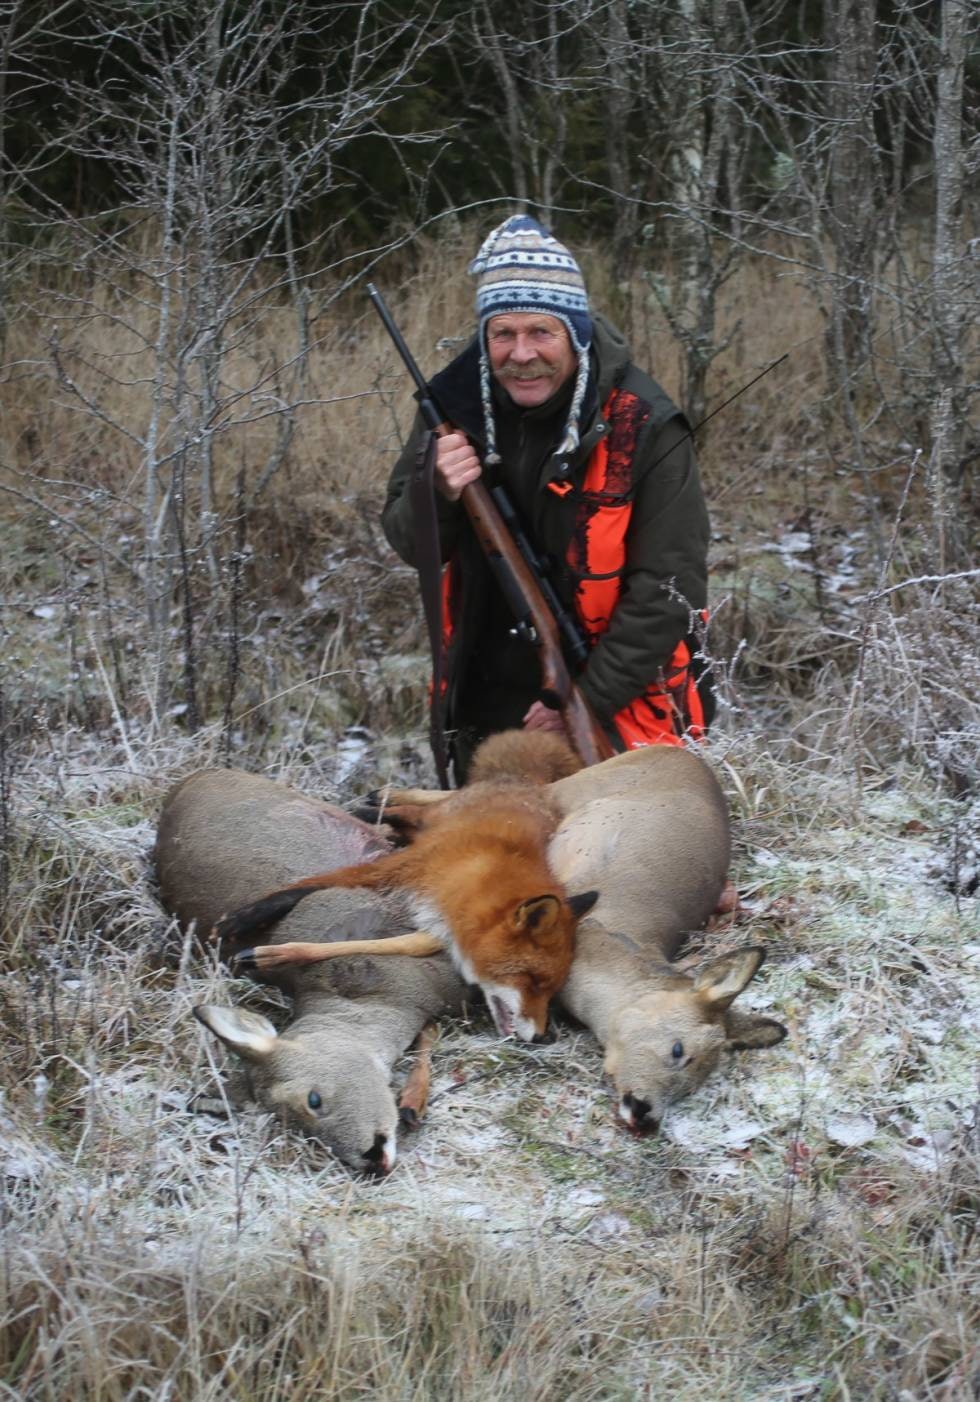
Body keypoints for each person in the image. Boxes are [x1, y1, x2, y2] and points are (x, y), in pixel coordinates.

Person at [382, 214, 712, 782]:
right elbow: (412, 544)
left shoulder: (644, 424)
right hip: (485, 691)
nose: (521, 353)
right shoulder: (448, 407)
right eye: (503, 333)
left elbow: (669, 592)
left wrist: (581, 704)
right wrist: (435, 492)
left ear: (576, 333)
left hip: (617, 693)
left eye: (541, 331)